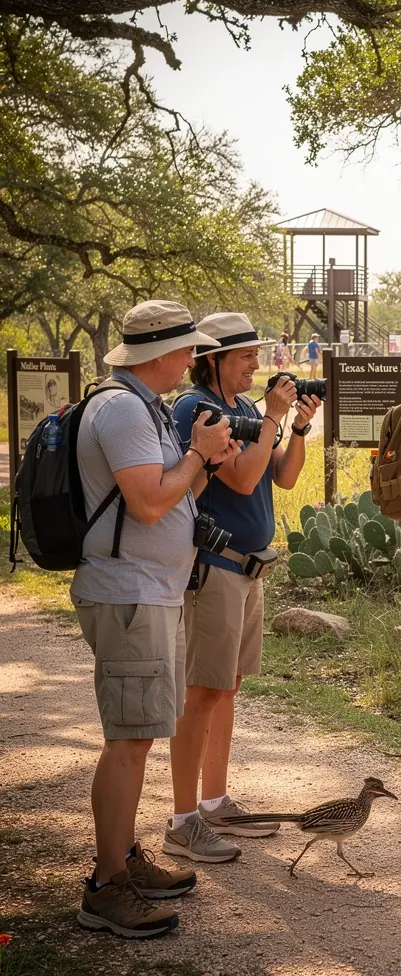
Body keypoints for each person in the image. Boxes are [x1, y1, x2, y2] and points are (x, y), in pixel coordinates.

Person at [72, 301, 235, 939]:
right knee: (130, 741)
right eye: (188, 347)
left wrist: (204, 459)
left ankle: (124, 860)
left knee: (137, 736)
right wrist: (198, 455)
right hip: (130, 593)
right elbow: (145, 504)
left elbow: (174, 496)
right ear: (158, 352)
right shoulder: (120, 409)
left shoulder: (145, 407)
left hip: (150, 593)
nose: (195, 358)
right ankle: (106, 887)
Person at [166, 313, 322, 863]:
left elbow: (283, 475)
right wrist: (275, 417)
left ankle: (214, 801)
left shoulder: (247, 411)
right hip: (214, 569)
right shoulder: (197, 410)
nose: (257, 364)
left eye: (257, 354)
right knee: (200, 694)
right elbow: (243, 477)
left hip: (247, 569)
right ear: (212, 360)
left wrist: (296, 427)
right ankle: (183, 820)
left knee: (226, 688)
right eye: (245, 356)